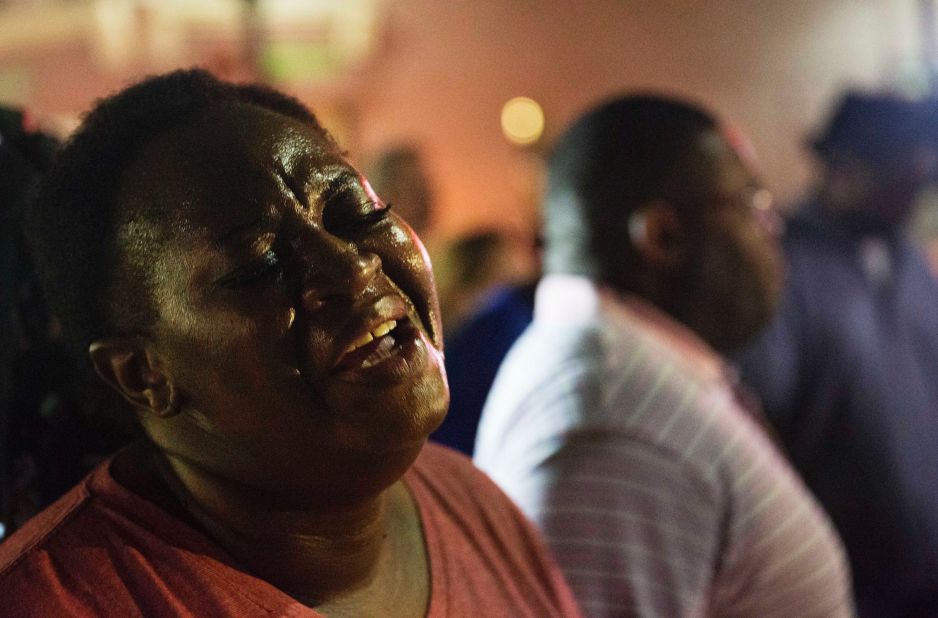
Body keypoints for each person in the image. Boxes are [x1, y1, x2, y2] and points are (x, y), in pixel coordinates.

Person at [0, 69, 581, 617]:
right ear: (142, 374)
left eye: (356, 211)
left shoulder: (473, 504)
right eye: (260, 264)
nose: (351, 266)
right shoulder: (56, 602)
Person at [474, 95, 854, 617]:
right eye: (752, 204)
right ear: (663, 236)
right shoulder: (612, 414)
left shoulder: (623, 377)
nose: (774, 228)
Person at [735, 92, 938, 616]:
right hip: (855, 588)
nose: (911, 198)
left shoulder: (906, 258)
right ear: (844, 169)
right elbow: (759, 420)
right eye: (899, 180)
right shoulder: (783, 270)